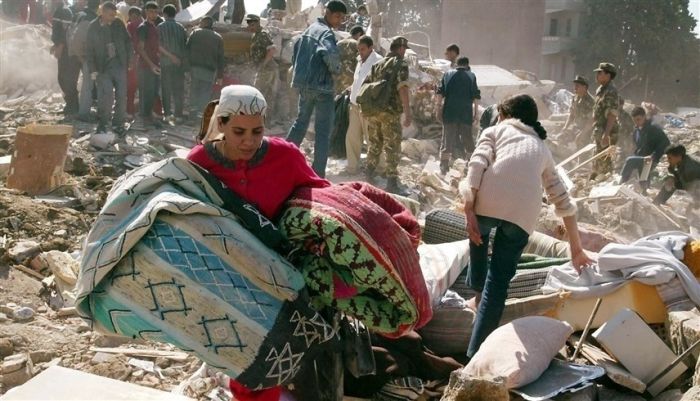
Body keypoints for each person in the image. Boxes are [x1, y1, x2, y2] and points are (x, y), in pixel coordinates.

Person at [187, 86, 329, 401]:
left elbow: (323, 198)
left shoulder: (286, 156)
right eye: (238, 132)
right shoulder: (199, 162)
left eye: (257, 131)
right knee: (241, 357)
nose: (249, 141)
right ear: (221, 124)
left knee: (272, 361)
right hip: (226, 276)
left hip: (278, 275)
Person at [460, 94, 593, 360]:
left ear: (504, 115)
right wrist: (576, 250)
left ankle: (476, 288)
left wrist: (469, 209)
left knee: (477, 237)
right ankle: (475, 355)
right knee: (498, 285)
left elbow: (477, 164)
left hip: (488, 201)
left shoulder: (495, 130)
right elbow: (562, 200)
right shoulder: (541, 148)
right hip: (523, 214)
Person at [286, 0, 346, 178]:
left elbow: (295, 54)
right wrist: (338, 70)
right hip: (322, 88)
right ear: (328, 12)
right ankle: (318, 174)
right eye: (338, 16)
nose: (340, 21)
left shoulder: (309, 30)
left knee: (300, 124)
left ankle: (282, 159)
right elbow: (332, 59)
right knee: (323, 132)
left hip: (304, 86)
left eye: (342, 18)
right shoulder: (326, 33)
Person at [363, 36, 412, 195]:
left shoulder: (377, 64)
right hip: (390, 113)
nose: (404, 52)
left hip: (374, 112)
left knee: (374, 144)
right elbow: (403, 88)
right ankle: (391, 183)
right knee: (392, 146)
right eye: (404, 50)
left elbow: (367, 86)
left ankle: (368, 175)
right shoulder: (400, 64)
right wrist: (407, 112)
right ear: (401, 48)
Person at [86, 1, 131, 135]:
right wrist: (92, 69)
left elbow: (128, 41)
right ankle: (103, 124)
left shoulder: (118, 23)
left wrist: (130, 60)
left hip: (119, 64)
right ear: (103, 13)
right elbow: (89, 50)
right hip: (102, 67)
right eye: (110, 15)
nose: (113, 17)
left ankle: (118, 124)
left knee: (122, 96)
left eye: (114, 14)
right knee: (106, 97)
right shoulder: (93, 26)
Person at [436, 56, 480, 174]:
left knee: (447, 138)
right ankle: (472, 165)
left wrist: (438, 109)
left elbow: (440, 92)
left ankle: (444, 166)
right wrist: (476, 113)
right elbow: (476, 96)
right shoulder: (471, 76)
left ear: (457, 64)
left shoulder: (448, 74)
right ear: (467, 65)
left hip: (449, 112)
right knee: (467, 138)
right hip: (465, 113)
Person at [345, 34, 382, 175]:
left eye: (363, 49)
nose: (360, 52)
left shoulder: (378, 61)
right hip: (355, 105)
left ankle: (380, 169)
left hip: (369, 107)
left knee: (372, 138)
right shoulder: (359, 60)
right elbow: (358, 80)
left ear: (371, 48)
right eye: (359, 49)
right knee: (352, 137)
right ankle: (352, 168)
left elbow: (380, 86)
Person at [618, 106, 669, 192]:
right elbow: (638, 146)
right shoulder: (636, 130)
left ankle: (620, 185)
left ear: (644, 117)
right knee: (643, 182)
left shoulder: (653, 128)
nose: (636, 123)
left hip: (651, 159)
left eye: (638, 120)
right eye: (634, 121)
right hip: (642, 158)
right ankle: (645, 192)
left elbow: (666, 143)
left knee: (630, 161)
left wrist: (653, 156)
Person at [187, 16, 224, 119]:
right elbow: (221, 58)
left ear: (204, 23)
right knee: (205, 93)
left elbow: (187, 49)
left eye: (200, 22)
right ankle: (200, 117)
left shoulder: (195, 33)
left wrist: (186, 67)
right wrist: (220, 76)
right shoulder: (218, 37)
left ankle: (192, 116)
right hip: (209, 71)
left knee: (194, 91)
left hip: (195, 68)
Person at [158, 4, 187, 124]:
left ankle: (167, 115)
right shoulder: (181, 27)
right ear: (175, 14)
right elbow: (185, 46)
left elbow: (158, 46)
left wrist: (170, 56)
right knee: (178, 89)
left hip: (165, 62)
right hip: (179, 63)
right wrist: (178, 59)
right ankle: (178, 115)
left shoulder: (160, 27)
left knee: (166, 89)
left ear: (164, 14)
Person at [50, 0, 80, 118]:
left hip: (68, 51)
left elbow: (66, 32)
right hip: (64, 49)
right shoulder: (59, 10)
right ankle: (70, 105)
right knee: (62, 78)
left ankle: (73, 107)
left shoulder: (64, 11)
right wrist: (55, 45)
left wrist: (60, 47)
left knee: (67, 79)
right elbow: (57, 31)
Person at [591, 62, 620, 180]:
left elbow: (612, 114)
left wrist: (606, 134)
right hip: (599, 129)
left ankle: (604, 182)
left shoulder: (611, 91)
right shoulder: (600, 90)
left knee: (605, 161)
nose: (597, 75)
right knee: (597, 158)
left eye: (600, 73)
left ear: (608, 75)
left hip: (606, 131)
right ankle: (596, 180)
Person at [136, 1, 162, 129]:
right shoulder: (143, 27)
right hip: (145, 66)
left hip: (155, 64)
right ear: (146, 12)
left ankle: (148, 117)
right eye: (151, 12)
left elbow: (156, 47)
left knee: (153, 92)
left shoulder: (154, 27)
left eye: (156, 12)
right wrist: (151, 65)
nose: (154, 14)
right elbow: (140, 49)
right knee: (147, 92)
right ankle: (145, 119)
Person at [246, 14, 278, 120]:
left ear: (258, 23)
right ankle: (263, 119)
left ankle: (262, 120)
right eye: (249, 25)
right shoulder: (255, 35)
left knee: (261, 94)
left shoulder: (263, 34)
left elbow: (272, 50)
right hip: (263, 68)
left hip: (267, 69)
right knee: (262, 94)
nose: (250, 27)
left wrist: (263, 65)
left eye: (252, 25)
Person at [74, 0, 100, 122]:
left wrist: (80, 56)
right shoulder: (91, 19)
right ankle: (85, 113)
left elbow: (74, 38)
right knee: (92, 85)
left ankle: (85, 112)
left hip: (86, 57)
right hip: (93, 58)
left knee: (88, 85)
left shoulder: (80, 15)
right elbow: (78, 39)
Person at [562, 75, 594, 147]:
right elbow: (571, 115)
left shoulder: (590, 102)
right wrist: (565, 127)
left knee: (581, 148)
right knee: (561, 139)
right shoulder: (575, 98)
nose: (575, 88)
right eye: (575, 85)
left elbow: (591, 121)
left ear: (584, 87)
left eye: (577, 86)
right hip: (576, 128)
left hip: (587, 132)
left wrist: (582, 134)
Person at [335, 25, 364, 94]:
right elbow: (361, 63)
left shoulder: (338, 43)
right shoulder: (357, 45)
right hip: (350, 82)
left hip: (337, 80)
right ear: (359, 34)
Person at [126, 6, 142, 119]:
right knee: (144, 86)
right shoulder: (146, 25)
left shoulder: (130, 26)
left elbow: (128, 43)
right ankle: (143, 110)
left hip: (133, 59)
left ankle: (130, 111)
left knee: (131, 87)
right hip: (145, 60)